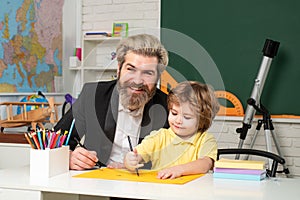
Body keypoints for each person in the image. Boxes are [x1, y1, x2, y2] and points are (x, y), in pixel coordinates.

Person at [54, 34, 169, 170]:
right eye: (131, 69)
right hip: (96, 182)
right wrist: (69, 156)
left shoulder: (169, 106)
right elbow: (54, 140)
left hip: (145, 186)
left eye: (148, 73)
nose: (137, 81)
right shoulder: (92, 95)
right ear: (119, 69)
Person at [124, 81, 220, 179]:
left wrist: (179, 170)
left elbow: (205, 164)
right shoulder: (159, 137)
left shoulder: (205, 140)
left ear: (202, 120)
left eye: (187, 117)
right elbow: (138, 155)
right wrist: (130, 160)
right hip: (160, 190)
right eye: (174, 113)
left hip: (191, 192)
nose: (178, 120)